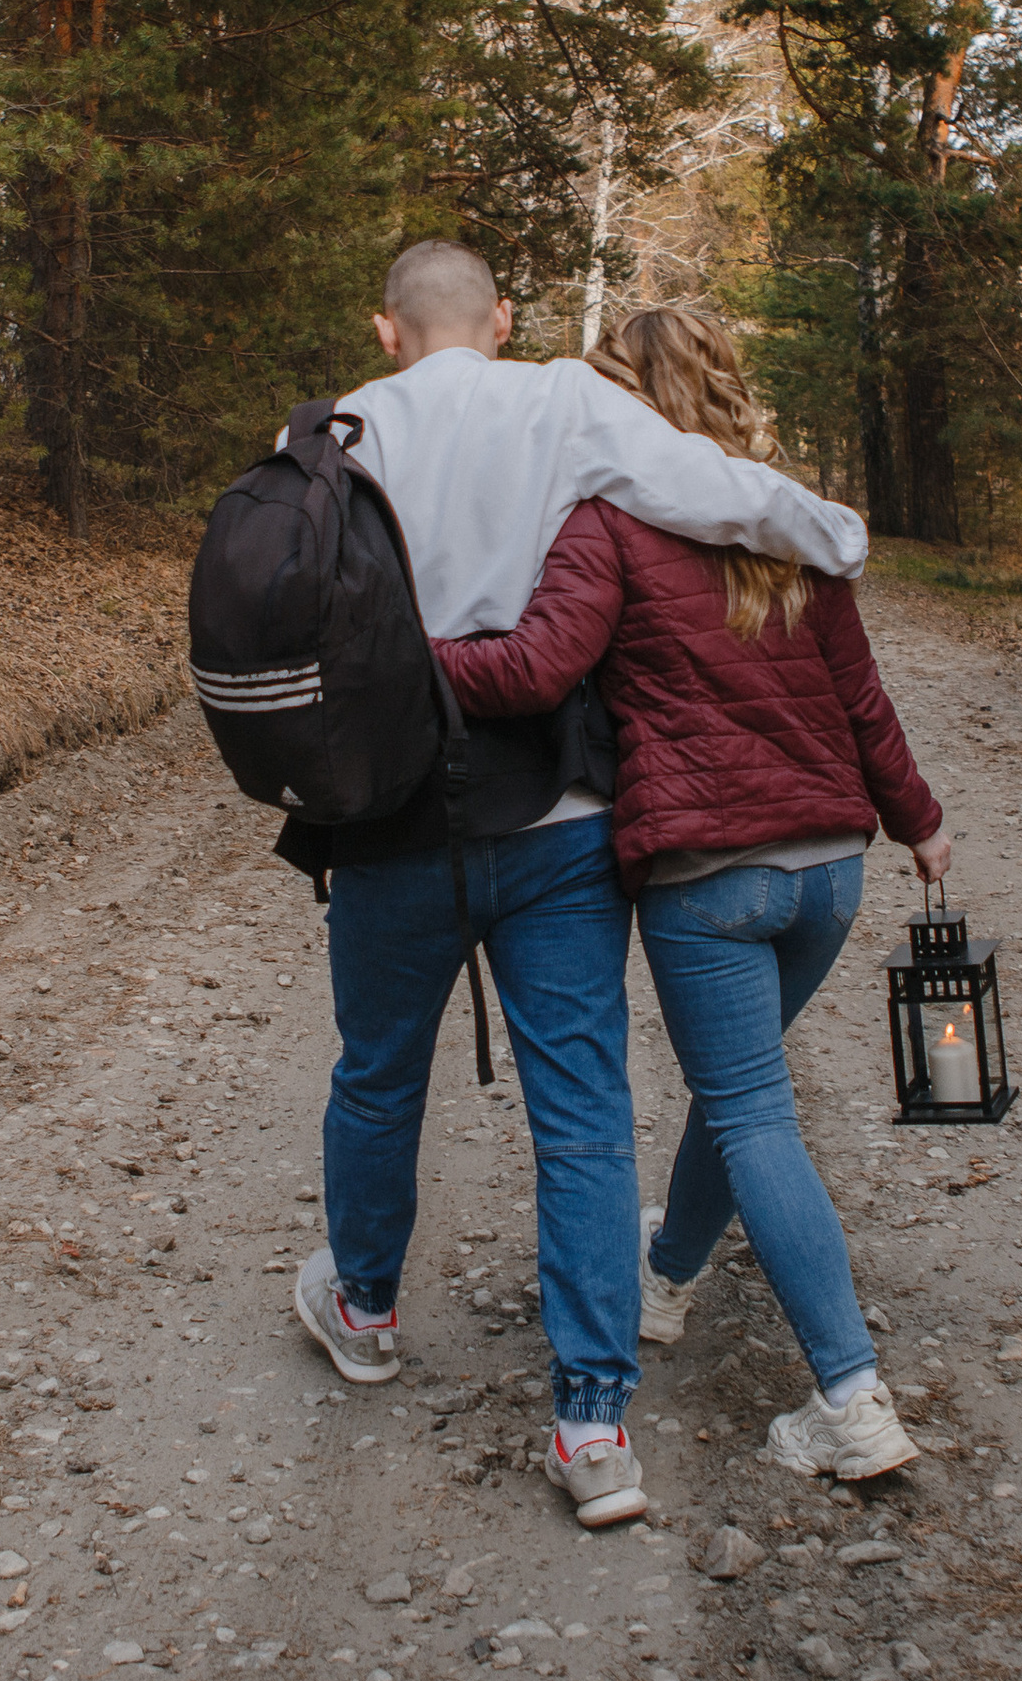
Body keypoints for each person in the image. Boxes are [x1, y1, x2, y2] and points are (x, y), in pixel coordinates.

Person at [281, 243, 870, 1529]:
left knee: (378, 1072)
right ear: (499, 317)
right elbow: (714, 492)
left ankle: (366, 1309)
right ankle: (593, 1421)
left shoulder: (336, 433)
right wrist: (836, 535)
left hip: (389, 820)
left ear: (386, 328)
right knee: (586, 1111)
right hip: (557, 820)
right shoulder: (560, 399)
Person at [430, 305, 948, 1481]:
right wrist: (918, 820)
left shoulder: (606, 521)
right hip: (827, 867)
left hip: (710, 876)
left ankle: (852, 1400)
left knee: (755, 1109)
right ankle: (664, 1283)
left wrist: (403, 654)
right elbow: (860, 697)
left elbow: (536, 666)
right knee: (740, 1089)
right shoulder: (786, 520)